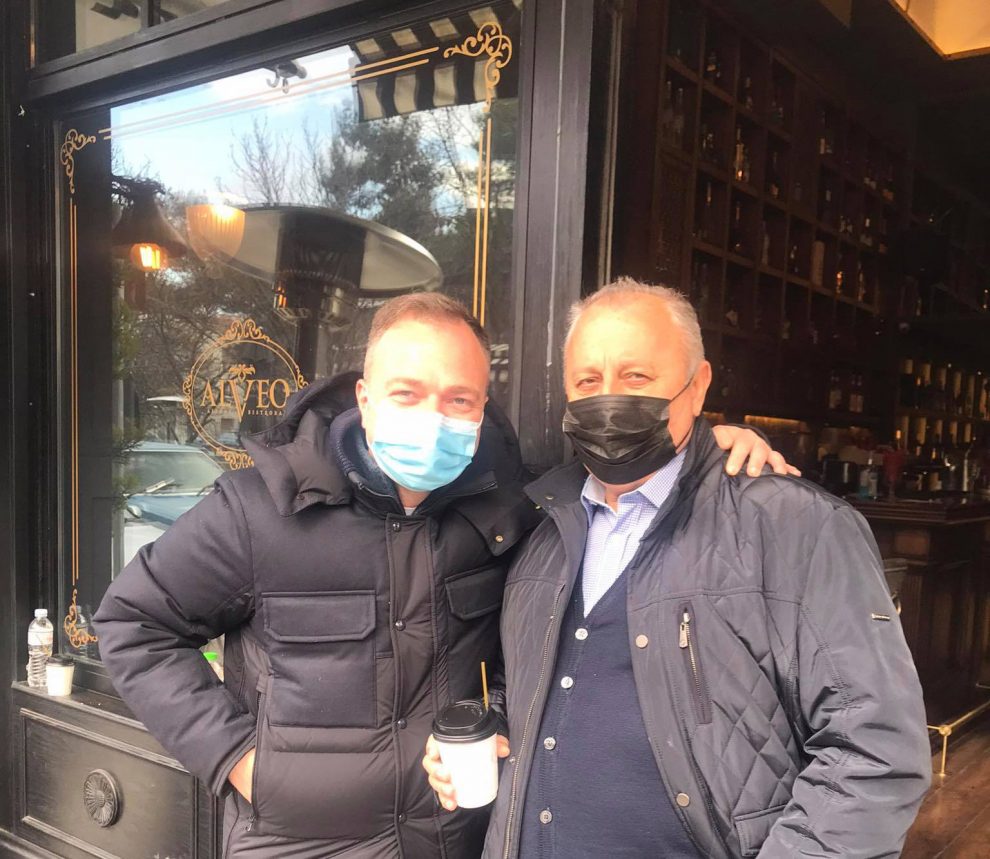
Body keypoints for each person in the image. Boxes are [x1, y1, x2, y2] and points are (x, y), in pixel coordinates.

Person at [95, 292, 790, 859]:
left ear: (483, 408)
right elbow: (132, 624)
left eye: (460, 399)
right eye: (408, 392)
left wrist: (707, 448)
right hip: (297, 842)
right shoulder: (260, 510)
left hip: (451, 840)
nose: (434, 416)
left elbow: (541, 631)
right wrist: (237, 758)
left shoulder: (508, 512)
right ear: (365, 397)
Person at [425, 279, 931, 859]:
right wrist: (487, 729)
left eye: (637, 377)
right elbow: (528, 683)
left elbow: (874, 751)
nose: (608, 400)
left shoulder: (796, 528)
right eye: (587, 381)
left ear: (698, 386)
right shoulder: (542, 528)